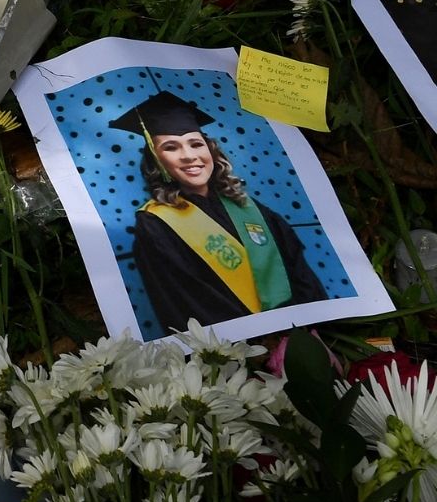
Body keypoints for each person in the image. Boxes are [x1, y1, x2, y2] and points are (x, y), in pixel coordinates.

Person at [119, 91, 327, 331]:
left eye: (196, 144)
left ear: (211, 151)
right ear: (157, 161)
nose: (189, 156)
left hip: (303, 333)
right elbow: (184, 301)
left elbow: (298, 270)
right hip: (240, 348)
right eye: (171, 147)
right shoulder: (156, 224)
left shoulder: (248, 207)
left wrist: (311, 327)